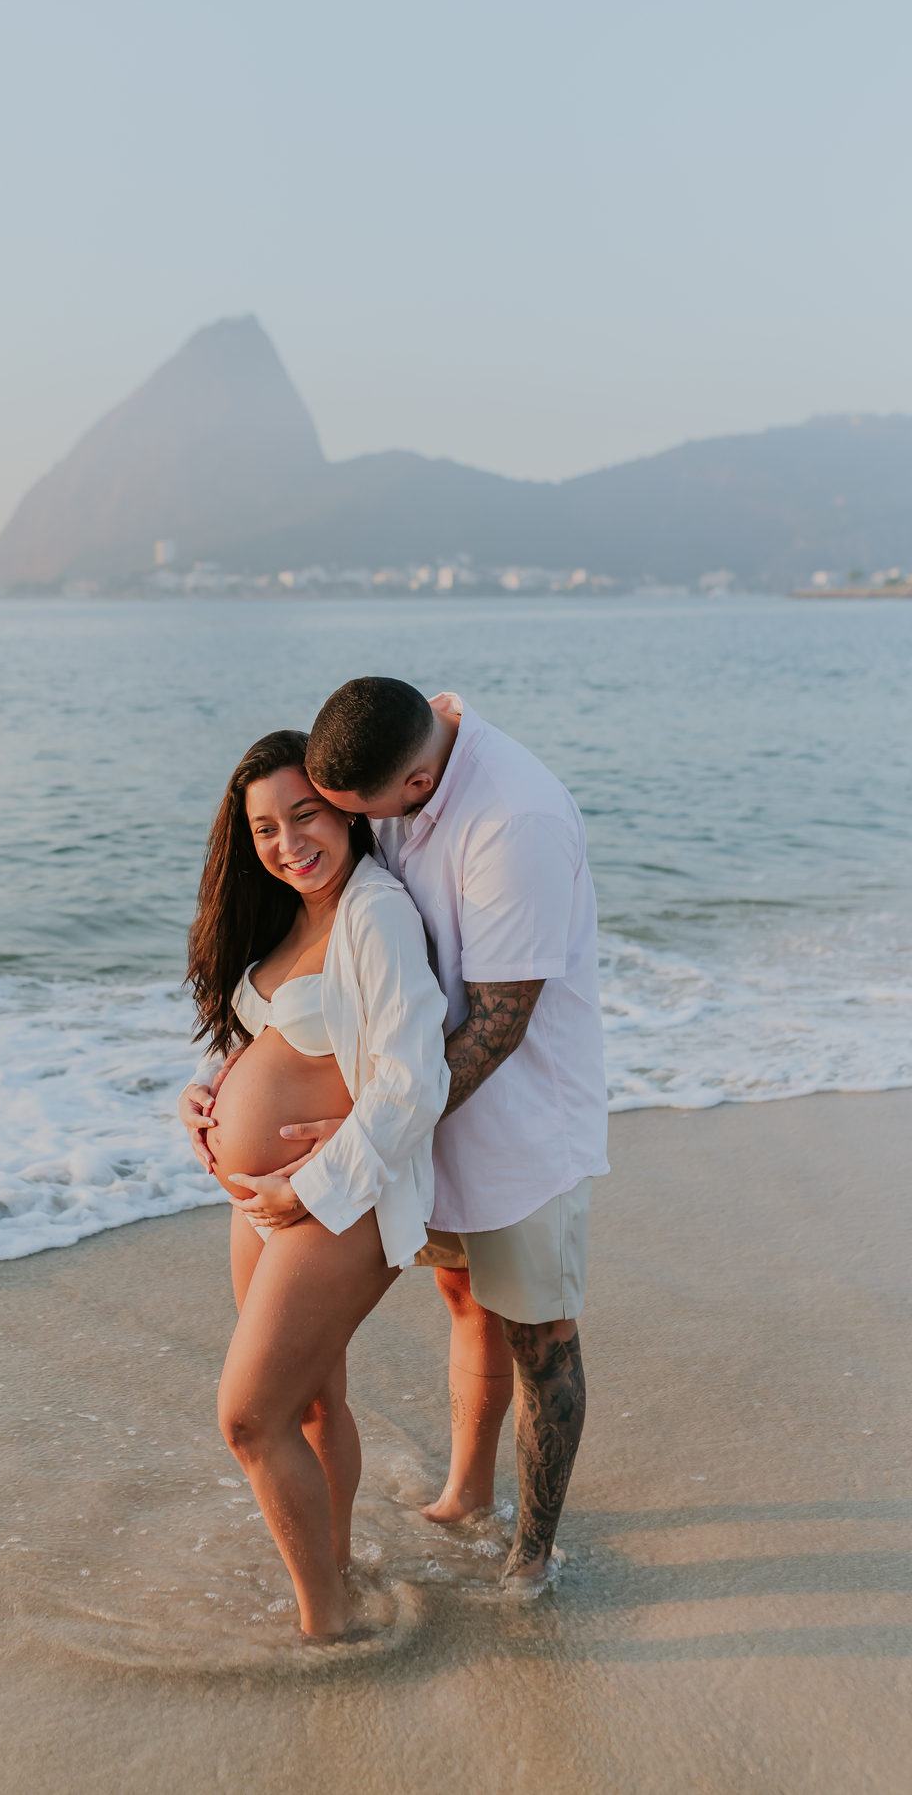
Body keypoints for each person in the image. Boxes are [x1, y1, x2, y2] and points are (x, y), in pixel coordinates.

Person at [296, 678, 608, 1597]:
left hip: (520, 1126)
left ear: (422, 783)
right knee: (467, 1301)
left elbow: (501, 1023)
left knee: (541, 1336)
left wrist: (371, 1130)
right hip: (430, 1113)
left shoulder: (514, 822)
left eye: (368, 814)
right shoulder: (406, 754)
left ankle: (533, 1558)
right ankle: (468, 1496)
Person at [177, 729, 449, 1639]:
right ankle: (331, 1573)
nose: (289, 843)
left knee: (250, 1418)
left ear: (344, 808)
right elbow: (281, 1038)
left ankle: (326, 1629)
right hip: (269, 1203)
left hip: (339, 1203)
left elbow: (415, 1078)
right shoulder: (295, 911)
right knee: (311, 1403)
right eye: (264, 828)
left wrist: (311, 1188)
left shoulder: (376, 914)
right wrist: (212, 1091)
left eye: (306, 815)